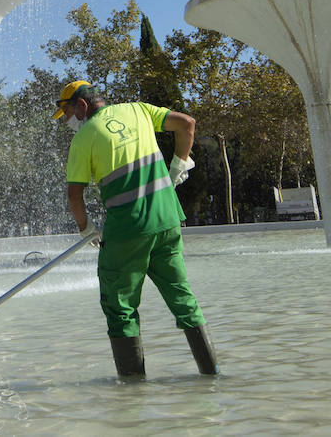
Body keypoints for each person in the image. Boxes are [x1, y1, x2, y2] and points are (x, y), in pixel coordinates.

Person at [56, 79, 218, 378]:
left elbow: (74, 195)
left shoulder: (84, 138)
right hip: (168, 220)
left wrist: (85, 228)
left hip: (127, 230)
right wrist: (179, 163)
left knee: (120, 308)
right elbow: (187, 123)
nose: (69, 122)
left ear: (82, 105)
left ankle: (132, 399)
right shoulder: (139, 110)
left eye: (68, 114)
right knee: (182, 298)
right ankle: (212, 375)